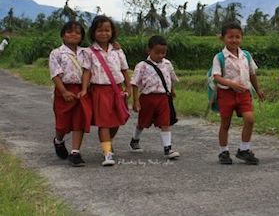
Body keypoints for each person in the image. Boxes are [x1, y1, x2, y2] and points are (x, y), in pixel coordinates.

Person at [211, 22, 265, 165]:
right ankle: (224, 151)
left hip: (244, 93)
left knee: (250, 120)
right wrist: (231, 84)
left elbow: (252, 74)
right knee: (225, 123)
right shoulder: (219, 57)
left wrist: (258, 89)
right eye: (230, 37)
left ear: (242, 38)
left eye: (237, 37)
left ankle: (244, 149)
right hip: (226, 94)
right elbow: (216, 76)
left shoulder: (246, 55)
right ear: (222, 38)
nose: (234, 40)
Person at [81, 16, 131, 166]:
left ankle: (108, 143)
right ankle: (107, 154)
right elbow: (87, 72)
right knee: (104, 123)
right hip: (99, 90)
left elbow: (124, 70)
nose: (104, 33)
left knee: (116, 122)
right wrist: (84, 89)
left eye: (107, 30)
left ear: (112, 32)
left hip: (117, 90)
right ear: (93, 32)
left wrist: (128, 87)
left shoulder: (117, 50)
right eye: (100, 30)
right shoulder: (89, 52)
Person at [129, 35, 180, 159]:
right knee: (142, 122)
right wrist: (135, 101)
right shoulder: (142, 65)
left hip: (163, 98)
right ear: (149, 50)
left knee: (165, 122)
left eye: (163, 52)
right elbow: (134, 83)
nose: (161, 55)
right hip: (147, 98)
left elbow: (170, 78)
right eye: (157, 52)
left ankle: (167, 148)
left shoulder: (167, 64)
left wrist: (171, 90)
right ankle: (135, 140)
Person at [48, 22, 91, 167]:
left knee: (79, 120)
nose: (73, 35)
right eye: (69, 32)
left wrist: (84, 89)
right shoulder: (56, 53)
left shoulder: (85, 52)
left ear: (82, 37)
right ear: (62, 35)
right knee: (62, 123)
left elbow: (87, 71)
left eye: (77, 33)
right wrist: (64, 91)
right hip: (63, 90)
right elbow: (55, 74)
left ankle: (75, 153)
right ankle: (58, 140)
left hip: (80, 90)